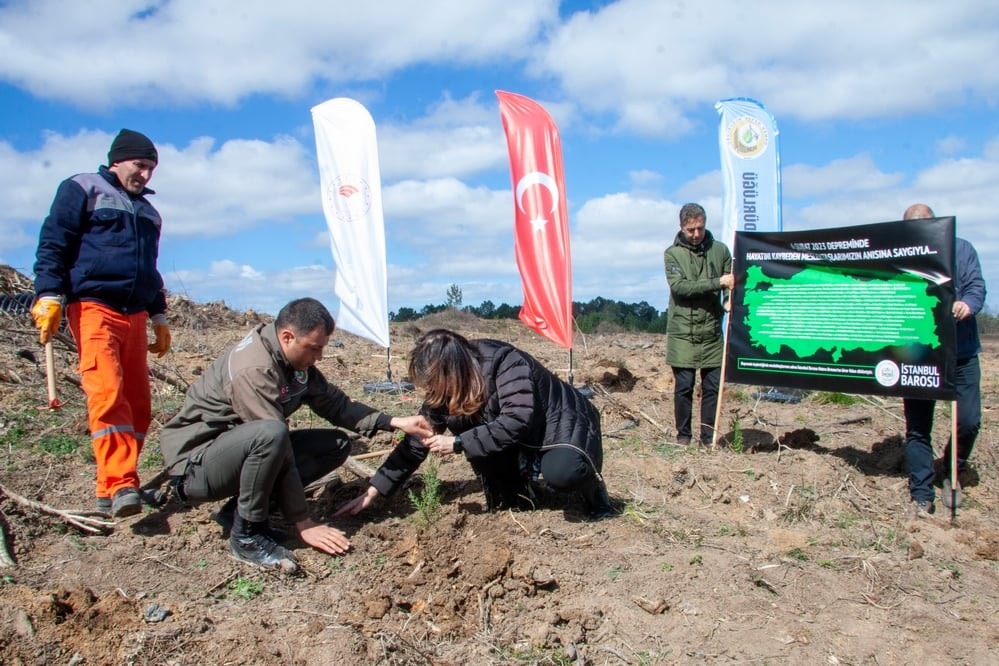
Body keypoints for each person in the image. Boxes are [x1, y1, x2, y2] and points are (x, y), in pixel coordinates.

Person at [159, 297, 432, 570]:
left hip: (237, 451)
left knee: (335, 445)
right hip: (198, 466)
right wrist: (304, 522)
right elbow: (276, 447)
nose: (319, 357)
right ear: (288, 337)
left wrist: (394, 421)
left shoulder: (290, 360)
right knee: (272, 434)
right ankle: (247, 535)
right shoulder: (254, 369)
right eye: (314, 348)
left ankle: (237, 514)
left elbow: (336, 405)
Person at [32, 129, 171, 519]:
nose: (145, 174)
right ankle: (123, 481)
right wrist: (48, 294)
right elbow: (54, 243)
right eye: (140, 165)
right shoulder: (83, 188)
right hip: (94, 307)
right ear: (117, 160)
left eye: (151, 168)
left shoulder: (149, 212)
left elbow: (150, 269)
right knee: (107, 394)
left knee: (140, 407)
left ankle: (108, 488)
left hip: (135, 314)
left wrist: (158, 314)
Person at [336, 329, 613, 520]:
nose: (432, 391)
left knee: (563, 472)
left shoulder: (504, 362)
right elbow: (416, 442)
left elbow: (517, 419)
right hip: (518, 434)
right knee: (508, 504)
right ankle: (522, 490)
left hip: (561, 425)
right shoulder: (444, 389)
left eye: (434, 382)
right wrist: (375, 489)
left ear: (451, 369)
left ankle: (594, 493)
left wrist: (457, 443)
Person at [900, 203, 986, 518]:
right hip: (918, 357)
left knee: (969, 420)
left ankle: (952, 468)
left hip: (960, 354)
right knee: (918, 428)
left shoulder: (962, 250)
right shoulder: (898, 255)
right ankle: (922, 494)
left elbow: (977, 287)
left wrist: (967, 305)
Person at [663, 203, 735, 446]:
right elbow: (680, 288)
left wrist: (727, 301)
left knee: (712, 388)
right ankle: (683, 437)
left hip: (712, 332)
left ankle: (707, 438)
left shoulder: (721, 251)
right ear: (682, 227)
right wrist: (717, 283)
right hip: (683, 333)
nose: (696, 234)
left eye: (700, 228)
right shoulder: (672, 254)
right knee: (684, 387)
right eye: (690, 229)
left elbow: (730, 285)